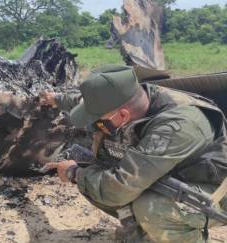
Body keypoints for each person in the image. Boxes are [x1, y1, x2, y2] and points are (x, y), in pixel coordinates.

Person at [40, 65, 227, 242]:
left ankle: (163, 227)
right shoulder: (132, 98)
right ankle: (142, 228)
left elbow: (119, 189)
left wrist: (74, 173)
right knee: (100, 173)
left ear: (122, 116)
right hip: (177, 178)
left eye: (99, 122)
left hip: (217, 192)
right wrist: (55, 98)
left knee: (151, 208)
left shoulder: (177, 127)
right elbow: (86, 103)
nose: (96, 126)